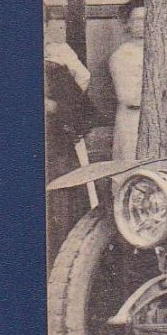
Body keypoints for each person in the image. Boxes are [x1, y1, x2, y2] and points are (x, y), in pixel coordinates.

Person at [45, 29, 102, 264]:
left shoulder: (54, 65)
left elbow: (75, 105)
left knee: (62, 203)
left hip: (55, 144)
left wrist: (53, 107)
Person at [108, 0, 145, 162]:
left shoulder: (160, 52)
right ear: (127, 24)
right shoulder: (122, 55)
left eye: (146, 19)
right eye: (137, 19)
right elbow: (129, 97)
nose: (142, 24)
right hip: (132, 121)